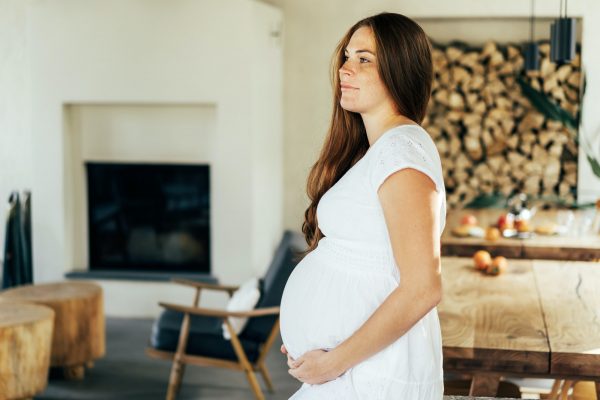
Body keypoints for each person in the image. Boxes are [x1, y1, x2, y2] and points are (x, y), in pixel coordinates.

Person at [278, 12, 446, 399]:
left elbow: (423, 288)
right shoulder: (380, 150)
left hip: (369, 375)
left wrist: (331, 360)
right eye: (347, 56)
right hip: (350, 371)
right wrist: (312, 341)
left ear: (399, 69)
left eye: (364, 59)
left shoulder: (401, 153)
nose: (345, 69)